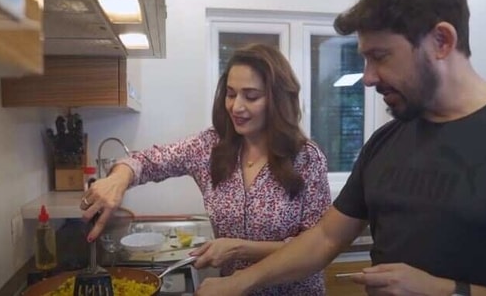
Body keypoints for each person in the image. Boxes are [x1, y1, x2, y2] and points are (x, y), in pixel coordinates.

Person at [195, 0, 486, 295]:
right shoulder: (385, 143)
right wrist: (238, 282)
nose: (368, 77)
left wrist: (448, 292)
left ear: (442, 42)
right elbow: (325, 239)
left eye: (380, 56)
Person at [79, 43, 331, 295]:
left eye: (251, 96)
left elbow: (316, 248)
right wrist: (120, 177)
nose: (236, 107)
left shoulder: (307, 159)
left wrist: (239, 248)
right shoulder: (210, 146)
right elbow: (149, 161)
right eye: (231, 94)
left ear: (278, 101)